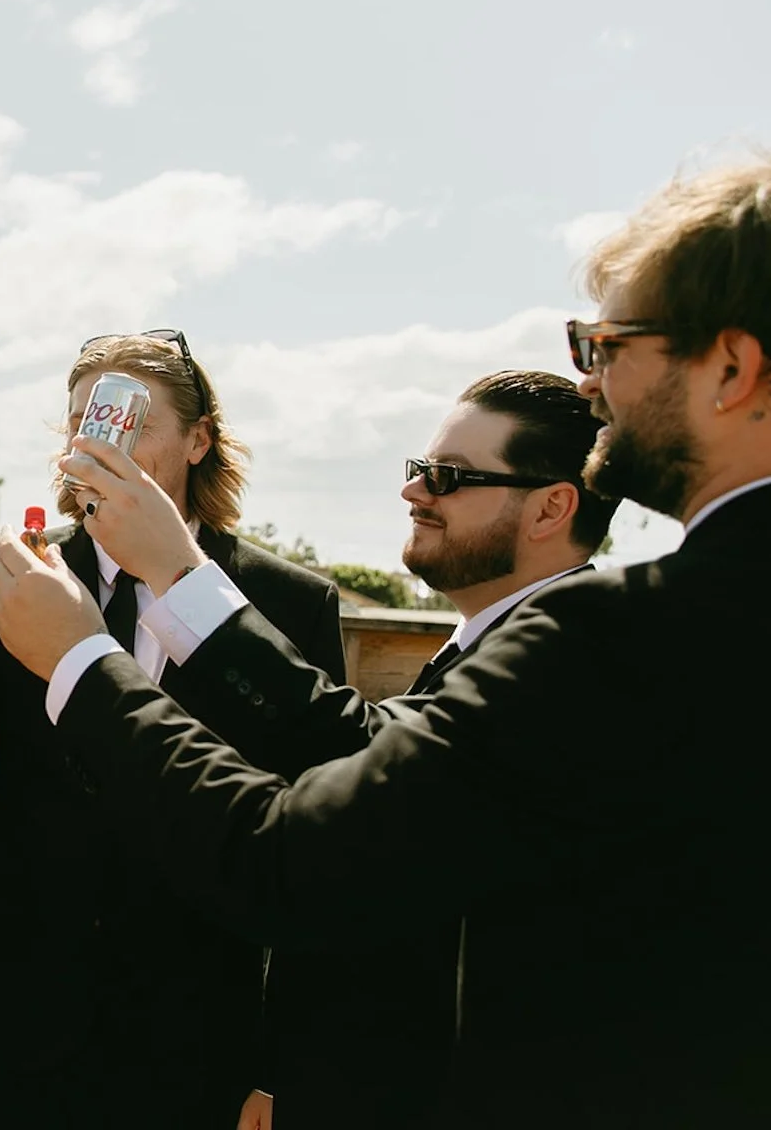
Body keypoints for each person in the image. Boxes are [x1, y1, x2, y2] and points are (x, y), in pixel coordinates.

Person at [0, 155, 771, 1125]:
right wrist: (185, 581)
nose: (594, 383)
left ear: (733, 368)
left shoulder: (627, 637)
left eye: (608, 343)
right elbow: (366, 745)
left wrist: (78, 658)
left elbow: (301, 856)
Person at [0, 331, 345, 1129]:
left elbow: (324, 837)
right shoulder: (23, 573)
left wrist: (282, 1068)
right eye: (85, 422)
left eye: (129, 420)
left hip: (195, 1035)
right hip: (16, 1021)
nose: (101, 442)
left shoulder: (287, 604)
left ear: (200, 439)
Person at [257, 369, 615, 1130]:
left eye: (448, 477)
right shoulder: (480, 643)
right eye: (419, 470)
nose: (414, 492)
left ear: (553, 505)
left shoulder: (555, 669)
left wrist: (179, 583)